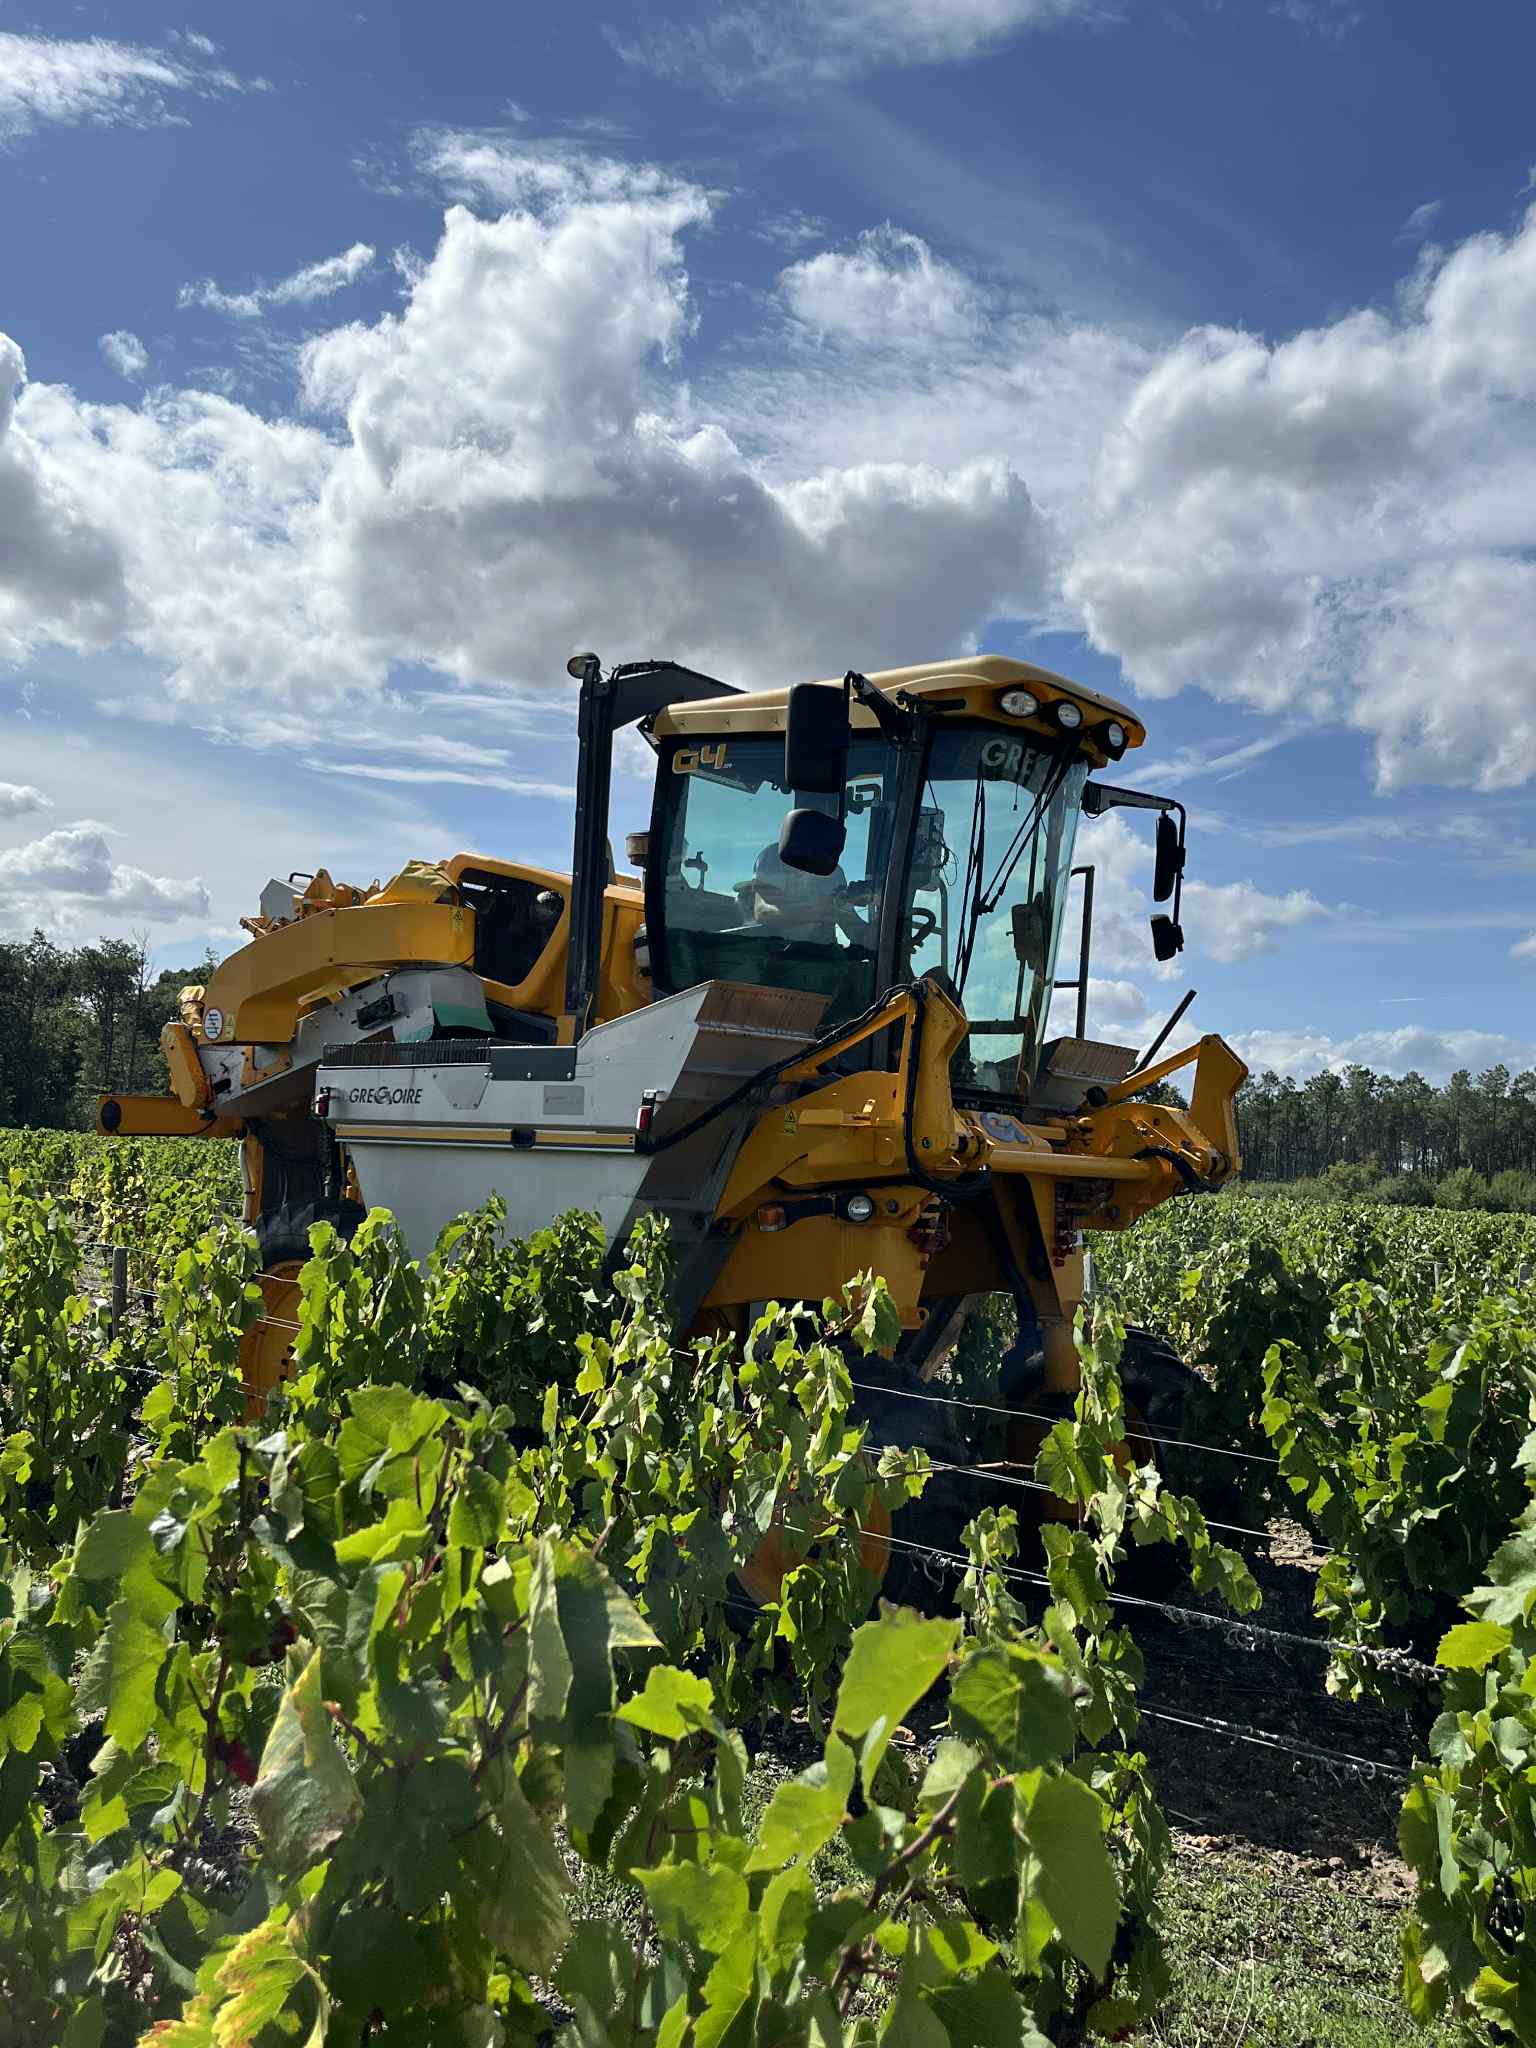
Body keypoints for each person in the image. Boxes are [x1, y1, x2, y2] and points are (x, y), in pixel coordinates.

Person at [735, 843, 872, 947]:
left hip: (822, 961)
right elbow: (764, 913)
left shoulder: (830, 871)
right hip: (768, 957)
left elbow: (857, 932)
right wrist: (823, 910)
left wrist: (883, 907)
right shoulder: (772, 859)